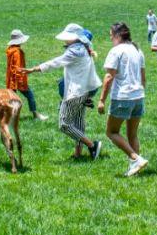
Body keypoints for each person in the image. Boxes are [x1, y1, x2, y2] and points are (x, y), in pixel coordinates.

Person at [24, 23, 103, 160]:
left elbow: (56, 62)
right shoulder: (83, 47)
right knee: (78, 123)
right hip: (84, 91)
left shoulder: (75, 51)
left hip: (76, 93)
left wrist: (35, 69)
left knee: (64, 124)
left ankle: (92, 146)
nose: (65, 40)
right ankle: (78, 153)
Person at [97, 22, 149, 177]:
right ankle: (135, 168)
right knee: (132, 134)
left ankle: (135, 159)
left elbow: (108, 77)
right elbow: (143, 78)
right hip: (138, 96)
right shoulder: (137, 50)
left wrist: (101, 100)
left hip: (122, 97)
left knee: (111, 132)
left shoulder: (116, 51)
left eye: (111, 35)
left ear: (118, 35)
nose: (111, 37)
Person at [5, 30, 48, 121]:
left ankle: (9, 116)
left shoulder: (10, 50)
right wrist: (21, 81)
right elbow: (18, 68)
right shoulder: (17, 52)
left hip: (11, 79)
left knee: (12, 99)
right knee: (30, 95)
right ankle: (36, 114)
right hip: (18, 79)